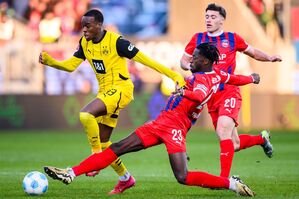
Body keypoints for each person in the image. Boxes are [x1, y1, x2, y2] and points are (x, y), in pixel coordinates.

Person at [44, 43, 259, 197]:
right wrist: (251, 78)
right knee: (117, 147)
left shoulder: (202, 79)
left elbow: (199, 96)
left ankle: (231, 184)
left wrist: (183, 91)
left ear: (206, 61)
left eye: (195, 57)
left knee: (182, 176)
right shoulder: (219, 75)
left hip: (175, 126)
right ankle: (71, 172)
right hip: (161, 123)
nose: (191, 60)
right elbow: (234, 78)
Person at [39, 9, 185, 195]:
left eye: (88, 26)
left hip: (121, 89)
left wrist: (173, 75)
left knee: (86, 114)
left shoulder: (117, 42)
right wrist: (51, 61)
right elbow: (71, 66)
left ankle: (96, 158)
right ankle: (126, 178)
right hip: (105, 92)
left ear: (99, 25)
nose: (84, 30)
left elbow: (146, 61)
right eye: (82, 26)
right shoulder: (85, 43)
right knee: (106, 143)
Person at [180, 3, 281, 178]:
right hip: (210, 96)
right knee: (232, 143)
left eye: (212, 17)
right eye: (206, 17)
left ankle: (224, 180)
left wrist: (269, 57)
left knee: (223, 130)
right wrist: (190, 66)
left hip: (229, 91)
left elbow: (253, 52)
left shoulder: (232, 38)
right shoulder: (197, 38)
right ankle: (261, 139)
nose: (208, 20)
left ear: (222, 20)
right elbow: (183, 61)